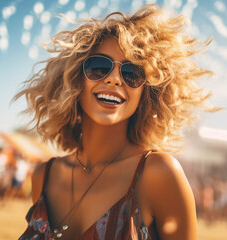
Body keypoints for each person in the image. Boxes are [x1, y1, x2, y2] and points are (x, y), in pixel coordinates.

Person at [16, 4, 215, 240]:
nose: (114, 79)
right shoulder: (44, 176)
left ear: (146, 93)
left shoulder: (159, 174)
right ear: (74, 79)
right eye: (99, 67)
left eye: (131, 73)